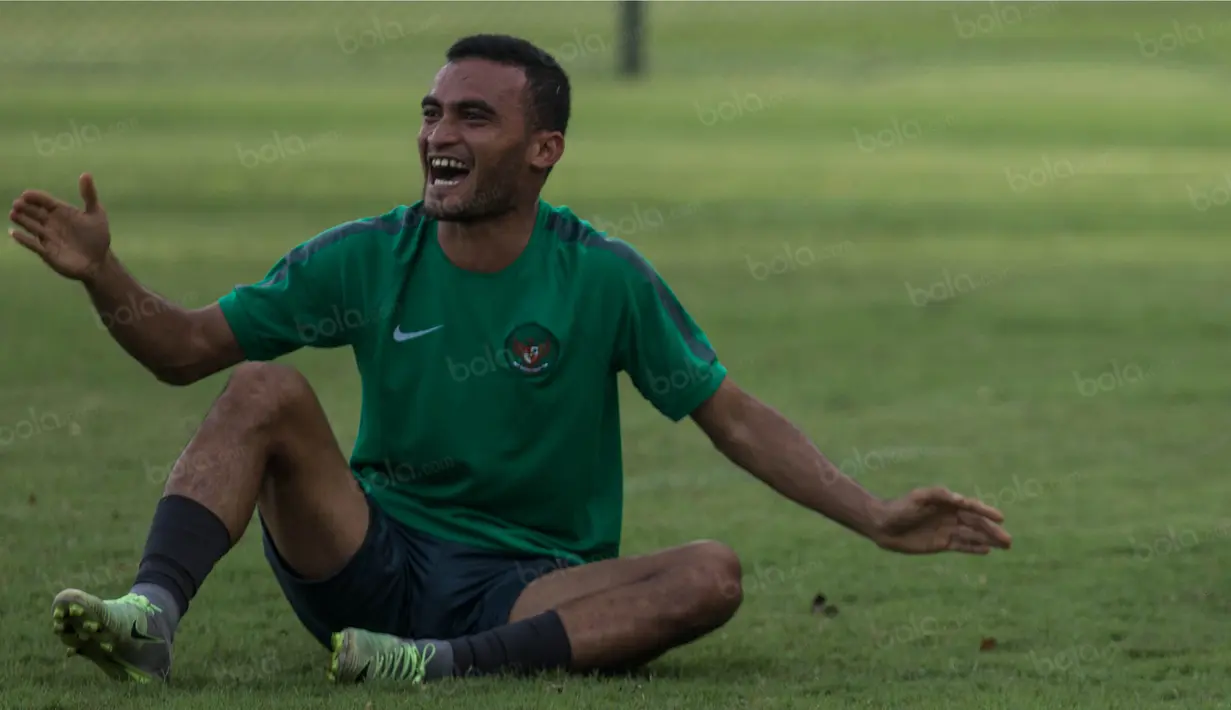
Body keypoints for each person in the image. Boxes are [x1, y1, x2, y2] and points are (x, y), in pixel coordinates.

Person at [7, 34, 1011, 686]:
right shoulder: (365, 254)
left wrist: (875, 514)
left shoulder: (604, 278)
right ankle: (150, 613)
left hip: (529, 585)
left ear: (545, 151)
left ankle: (437, 664)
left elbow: (732, 415)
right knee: (262, 384)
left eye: (473, 117)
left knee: (711, 573)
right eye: (432, 113)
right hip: (370, 550)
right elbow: (183, 350)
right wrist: (104, 274)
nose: (439, 133)